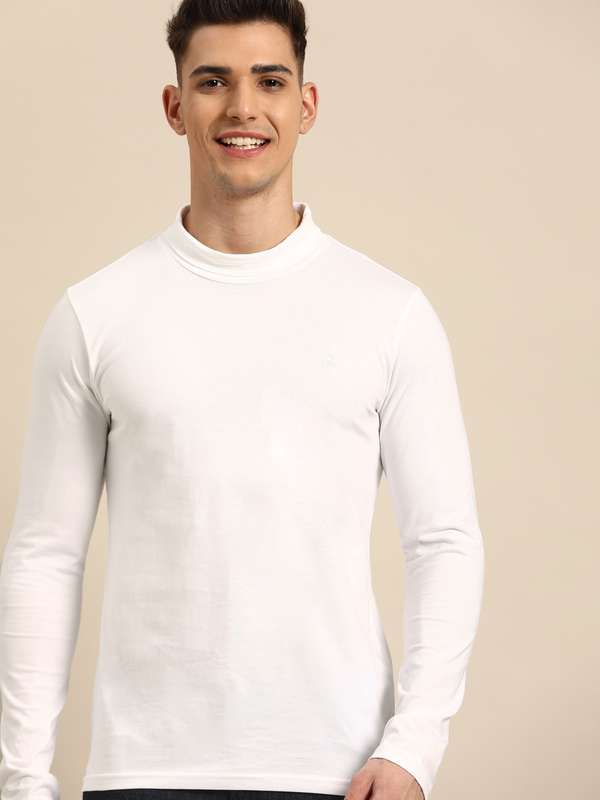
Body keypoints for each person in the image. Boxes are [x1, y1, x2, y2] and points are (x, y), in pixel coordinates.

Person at [0, 2, 485, 800]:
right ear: (174, 106)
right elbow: (46, 555)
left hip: (343, 771)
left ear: (307, 104)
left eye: (270, 80)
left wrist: (415, 746)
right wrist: (24, 778)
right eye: (212, 82)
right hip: (144, 772)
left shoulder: (389, 313)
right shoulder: (96, 313)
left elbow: (443, 542)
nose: (242, 107)